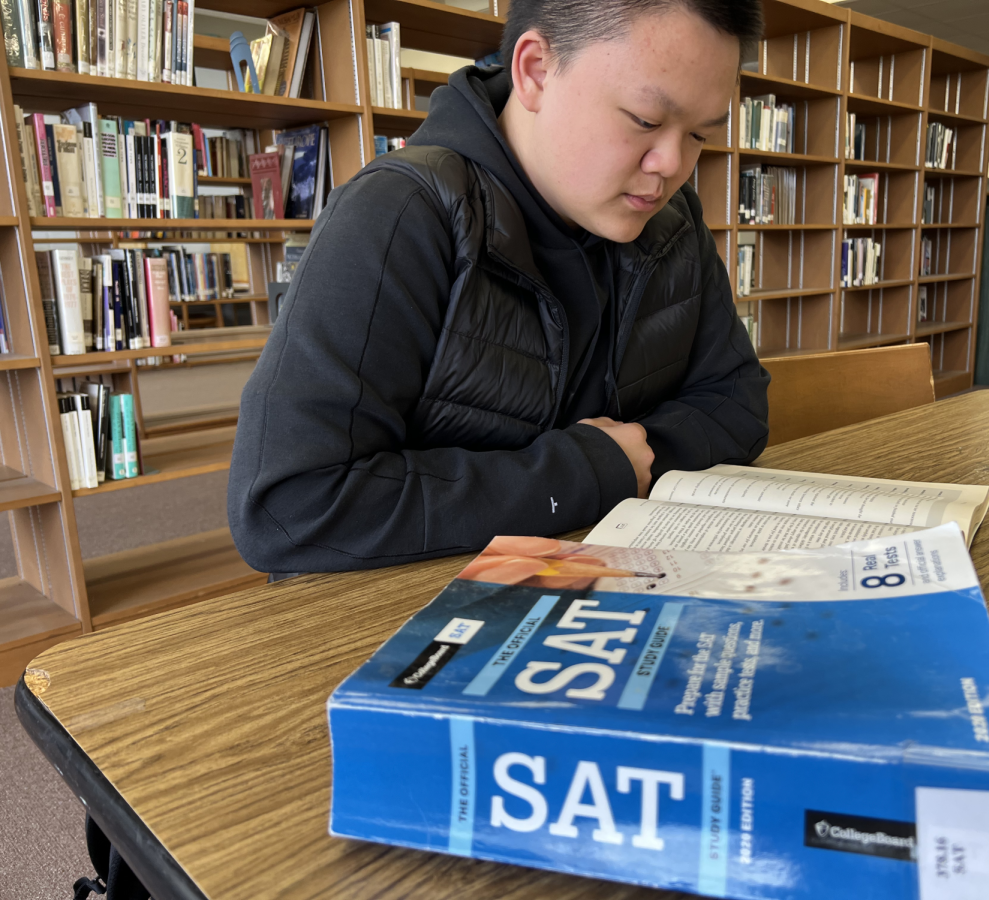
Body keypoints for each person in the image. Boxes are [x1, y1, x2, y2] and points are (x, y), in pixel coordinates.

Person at [227, 0, 771, 573]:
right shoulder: (400, 214)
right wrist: (589, 471)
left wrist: (619, 461)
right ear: (535, 70)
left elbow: (738, 404)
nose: (671, 165)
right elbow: (289, 506)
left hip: (621, 573)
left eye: (700, 137)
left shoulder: (672, 218)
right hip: (409, 614)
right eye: (645, 120)